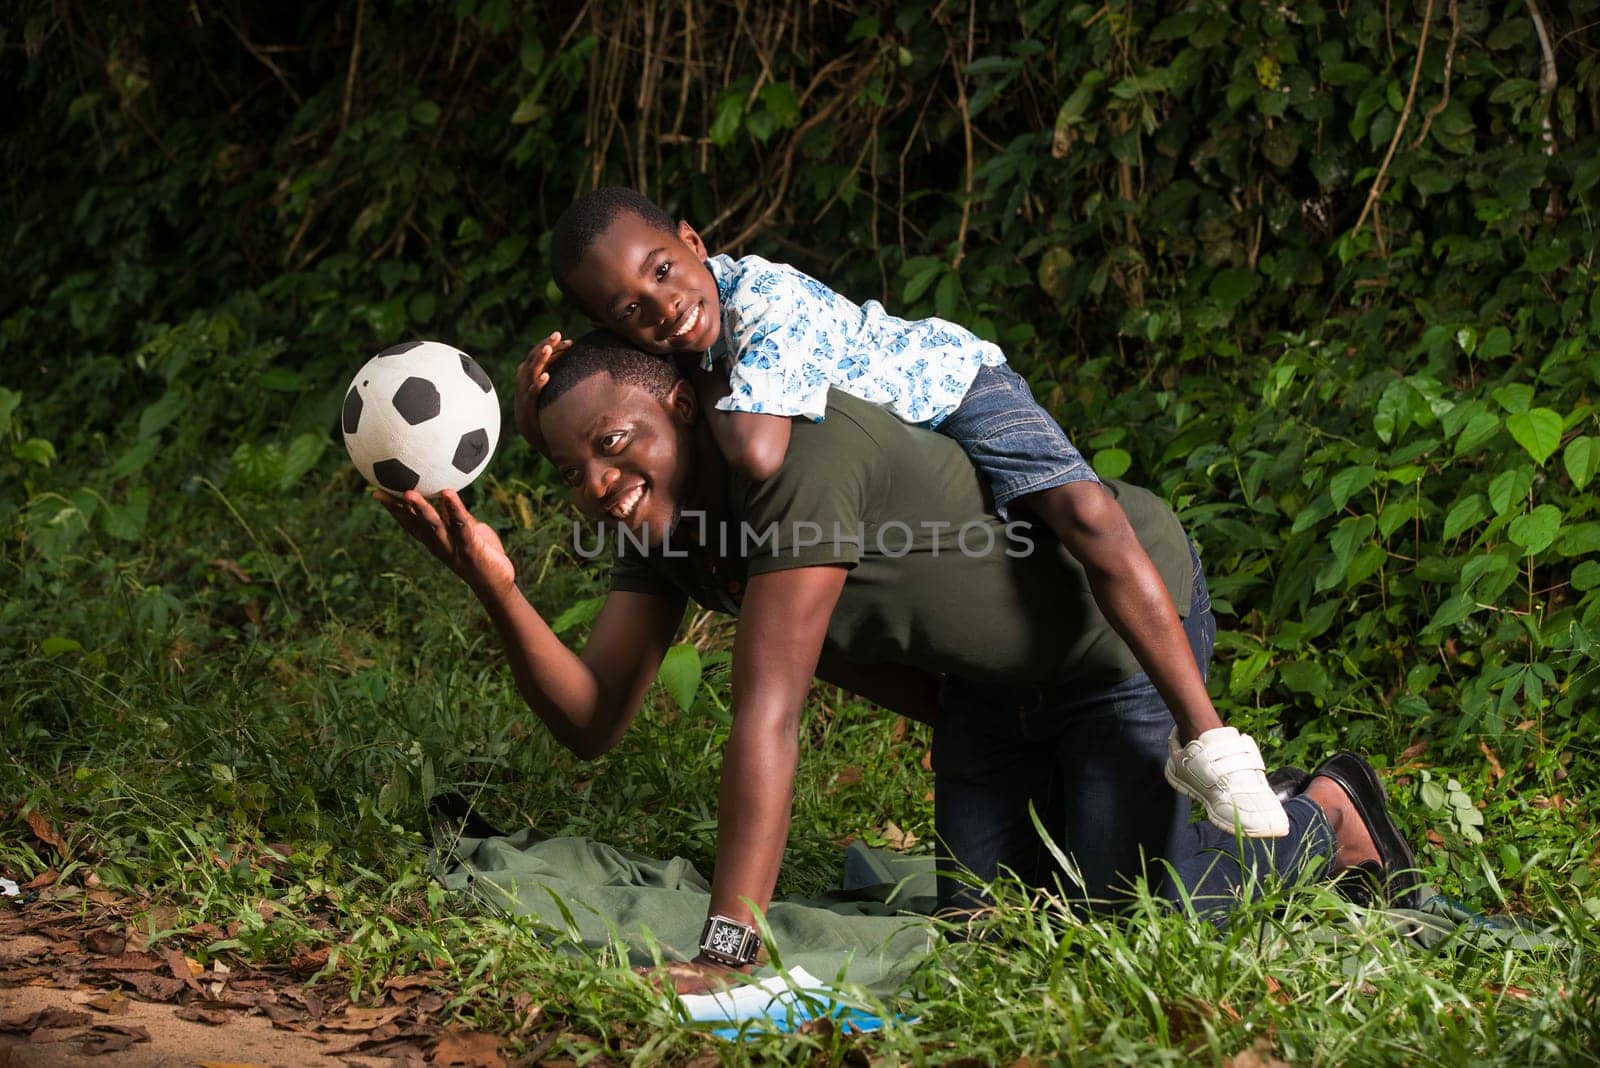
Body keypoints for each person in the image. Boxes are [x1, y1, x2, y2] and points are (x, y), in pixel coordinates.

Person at [376, 332, 1421, 994]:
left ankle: (1322, 812)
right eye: (572, 471)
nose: (600, 482)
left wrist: (727, 950)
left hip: (1106, 640)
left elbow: (768, 714)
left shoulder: (792, 457)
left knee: (1133, 926)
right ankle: (1096, 804)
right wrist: (495, 586)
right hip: (988, 703)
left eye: (615, 443)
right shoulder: (666, 533)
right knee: (995, 936)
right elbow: (591, 720)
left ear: (682, 408)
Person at [516, 187, 1288, 841]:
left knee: (1084, 513)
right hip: (981, 639)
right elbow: (623, 399)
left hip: (953, 383)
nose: (665, 307)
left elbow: (755, 451)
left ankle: (1208, 737)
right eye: (630, 309)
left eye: (663, 271)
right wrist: (550, 419)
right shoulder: (688, 352)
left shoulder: (762, 301)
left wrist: (689, 401)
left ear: (693, 241)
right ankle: (1015, 751)